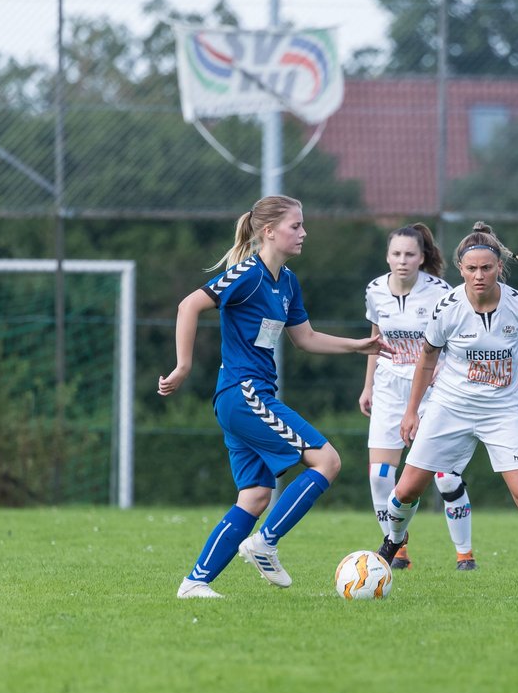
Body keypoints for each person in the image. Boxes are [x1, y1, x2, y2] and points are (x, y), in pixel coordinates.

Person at [159, 194, 390, 599]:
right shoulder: (246, 274)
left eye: (302, 225)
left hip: (247, 397)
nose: (304, 233)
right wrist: (183, 366)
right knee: (328, 460)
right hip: (243, 393)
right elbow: (189, 305)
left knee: (255, 495)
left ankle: (194, 583)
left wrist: (357, 347)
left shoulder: (287, 282)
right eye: (295, 226)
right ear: (269, 231)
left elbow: (306, 338)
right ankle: (264, 542)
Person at [375, 222, 518, 589]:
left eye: (486, 268)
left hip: (502, 413)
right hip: (449, 408)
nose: (479, 275)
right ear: (461, 269)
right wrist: (411, 411)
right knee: (405, 491)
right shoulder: (447, 308)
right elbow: (426, 358)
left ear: (499, 266)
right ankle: (393, 542)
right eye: (471, 269)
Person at [359, 223, 475, 571]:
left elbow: (456, 339)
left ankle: (464, 554)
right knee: (380, 475)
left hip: (432, 390)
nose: (402, 260)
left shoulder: (441, 292)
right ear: (387, 256)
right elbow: (375, 338)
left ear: (422, 257)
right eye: (396, 253)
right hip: (389, 387)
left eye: (410, 254)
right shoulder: (375, 290)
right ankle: (398, 550)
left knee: (445, 477)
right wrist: (368, 387)